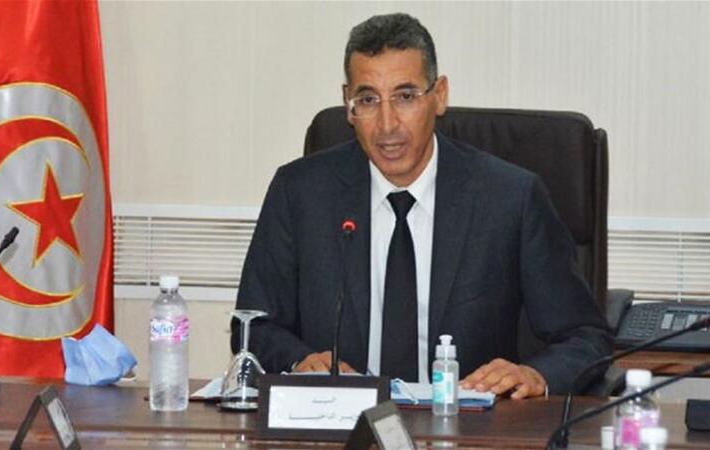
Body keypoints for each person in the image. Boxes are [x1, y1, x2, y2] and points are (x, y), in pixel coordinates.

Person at [232, 12, 612, 398]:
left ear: (439, 95)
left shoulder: (509, 198)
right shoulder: (300, 193)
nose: (387, 125)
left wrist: (536, 375)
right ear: (348, 104)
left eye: (405, 96)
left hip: (466, 422)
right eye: (368, 100)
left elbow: (585, 337)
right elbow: (254, 327)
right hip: (339, 418)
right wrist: (300, 361)